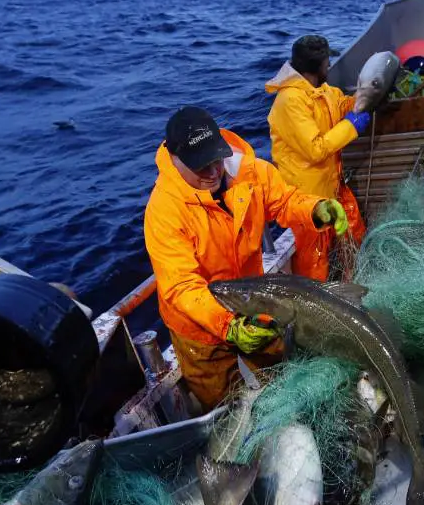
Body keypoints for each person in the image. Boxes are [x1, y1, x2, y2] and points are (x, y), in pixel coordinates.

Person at [143, 105, 349, 413]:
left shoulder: (250, 172)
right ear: (175, 160)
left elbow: (285, 201)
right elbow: (182, 287)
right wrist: (228, 325)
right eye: (202, 166)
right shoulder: (163, 211)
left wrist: (313, 209)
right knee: (225, 407)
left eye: (217, 158)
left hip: (255, 302)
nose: (214, 171)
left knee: (282, 373)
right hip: (200, 329)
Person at [265, 34, 370, 281]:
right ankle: (319, 308)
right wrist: (352, 126)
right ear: (318, 67)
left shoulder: (321, 90)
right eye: (326, 62)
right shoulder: (289, 101)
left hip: (332, 185)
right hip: (309, 199)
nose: (329, 66)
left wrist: (363, 101)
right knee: (315, 261)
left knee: (354, 236)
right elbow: (315, 148)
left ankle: (351, 286)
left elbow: (340, 104)